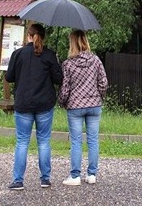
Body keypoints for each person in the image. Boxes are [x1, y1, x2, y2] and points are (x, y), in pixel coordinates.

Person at [5, 23, 63, 191]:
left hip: (23, 104)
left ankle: (18, 180)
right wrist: (55, 61)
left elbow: (9, 77)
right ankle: (45, 178)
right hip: (44, 104)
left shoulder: (18, 54)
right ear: (43, 37)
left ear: (28, 36)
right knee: (44, 141)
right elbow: (58, 79)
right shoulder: (49, 55)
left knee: (22, 141)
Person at [58, 29, 108, 186]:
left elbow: (65, 89)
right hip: (94, 105)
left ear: (72, 43)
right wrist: (100, 96)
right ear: (86, 41)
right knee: (93, 140)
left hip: (75, 107)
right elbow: (104, 82)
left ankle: (75, 176)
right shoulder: (95, 60)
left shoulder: (68, 64)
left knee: (76, 141)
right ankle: (92, 174)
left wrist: (62, 102)